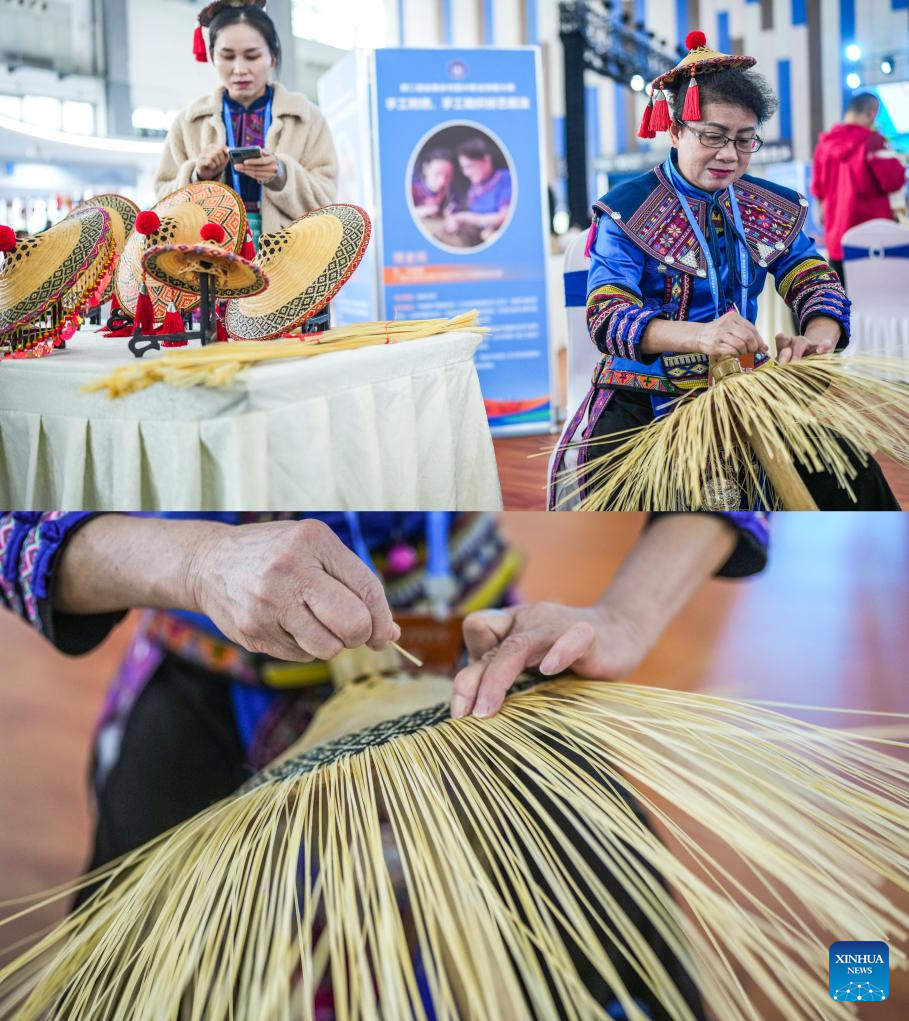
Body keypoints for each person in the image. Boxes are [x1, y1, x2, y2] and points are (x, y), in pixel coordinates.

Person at [1, 510, 766, 1019]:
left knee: (624, 965)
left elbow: (724, 431)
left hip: (479, 667)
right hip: (211, 676)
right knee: (127, 985)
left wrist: (625, 614)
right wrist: (198, 561)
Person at [550, 32, 899, 511]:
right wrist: (698, 336)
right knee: (629, 515)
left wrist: (816, 338)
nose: (730, 155)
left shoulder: (763, 204)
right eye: (712, 136)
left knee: (852, 475)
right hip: (642, 393)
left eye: (744, 139)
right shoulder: (627, 211)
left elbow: (814, 279)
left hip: (742, 386)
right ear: (675, 130)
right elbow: (607, 316)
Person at [154, 0, 338, 250]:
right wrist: (198, 176)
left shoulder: (306, 119)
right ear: (211, 57)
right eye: (227, 56)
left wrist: (281, 174)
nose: (239, 69)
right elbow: (163, 204)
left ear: (273, 56)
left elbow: (327, 201)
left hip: (291, 258)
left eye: (252, 56)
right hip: (211, 259)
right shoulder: (189, 123)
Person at [811, 91, 907, 284]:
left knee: (845, 307)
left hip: (838, 241)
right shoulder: (873, 141)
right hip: (873, 242)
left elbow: (817, 190)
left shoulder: (825, 145)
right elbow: (893, 180)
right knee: (878, 304)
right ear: (872, 112)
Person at [443, 136, 512, 244]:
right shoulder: (475, 187)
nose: (466, 173)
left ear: (486, 159)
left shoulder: (505, 178)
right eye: (463, 168)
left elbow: (504, 217)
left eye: (469, 166)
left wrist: (465, 218)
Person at [411, 148, 457, 220]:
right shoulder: (411, 190)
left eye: (448, 175)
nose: (442, 181)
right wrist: (420, 211)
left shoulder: (450, 193)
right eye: (437, 174)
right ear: (425, 169)